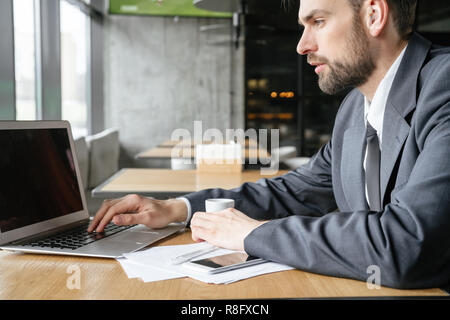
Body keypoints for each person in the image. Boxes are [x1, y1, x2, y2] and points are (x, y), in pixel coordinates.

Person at [88, 0, 450, 289]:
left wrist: (252, 234)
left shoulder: (444, 87)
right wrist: (177, 209)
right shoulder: (356, 107)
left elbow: (405, 246)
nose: (302, 45)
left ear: (374, 14)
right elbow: (297, 190)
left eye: (318, 22)